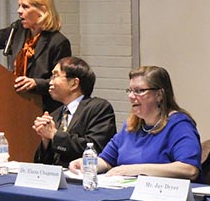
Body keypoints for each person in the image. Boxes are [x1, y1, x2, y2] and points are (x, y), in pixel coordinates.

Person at [68, 66, 201, 181]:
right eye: (130, 90)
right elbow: (107, 160)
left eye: (139, 91)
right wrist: (86, 163)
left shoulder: (179, 125)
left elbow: (189, 169)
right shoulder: (131, 125)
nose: (131, 96)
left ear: (159, 95)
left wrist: (135, 169)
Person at [33, 56, 116, 168]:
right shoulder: (55, 115)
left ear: (74, 83)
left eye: (55, 76)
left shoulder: (98, 108)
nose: (50, 81)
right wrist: (45, 139)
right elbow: (42, 163)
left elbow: (96, 148)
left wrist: (54, 135)